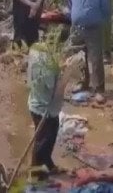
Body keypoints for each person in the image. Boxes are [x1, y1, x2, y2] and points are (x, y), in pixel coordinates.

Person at [27, 42, 85, 176]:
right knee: (44, 142)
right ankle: (37, 173)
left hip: (36, 105)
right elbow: (58, 91)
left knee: (46, 138)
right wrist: (68, 73)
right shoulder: (47, 69)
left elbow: (51, 71)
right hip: (45, 110)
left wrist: (63, 66)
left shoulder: (37, 52)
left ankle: (47, 164)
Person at [64, 0, 110, 102]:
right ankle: (82, 83)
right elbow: (70, 4)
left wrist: (95, 20)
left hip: (94, 29)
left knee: (95, 59)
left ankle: (99, 89)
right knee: (79, 58)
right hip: (77, 28)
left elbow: (106, 11)